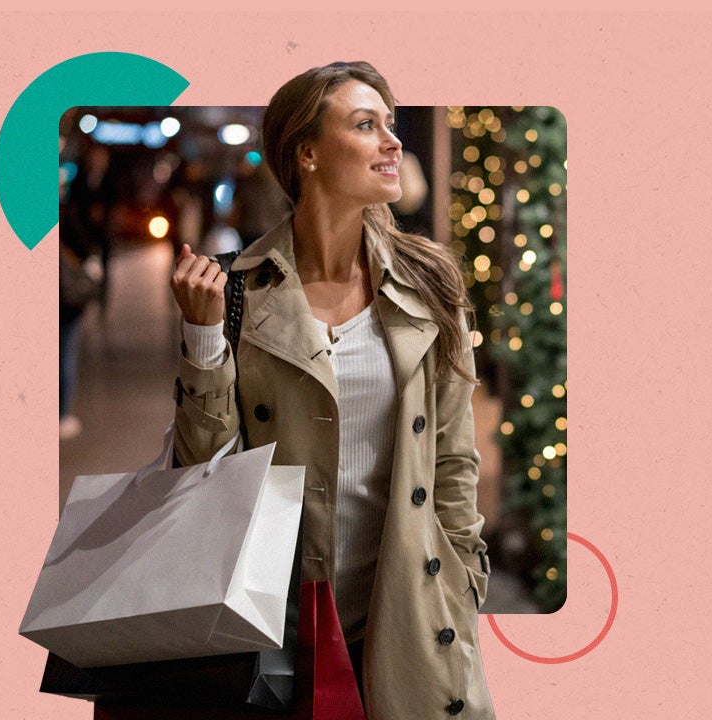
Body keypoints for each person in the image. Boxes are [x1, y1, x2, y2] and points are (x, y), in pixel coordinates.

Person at [170, 62, 495, 719]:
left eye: (392, 125)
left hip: (404, 608)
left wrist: (461, 582)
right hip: (277, 617)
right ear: (308, 153)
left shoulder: (430, 285)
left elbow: (454, 461)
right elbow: (200, 468)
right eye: (366, 125)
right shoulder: (236, 291)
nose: (392, 142)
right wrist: (203, 339)